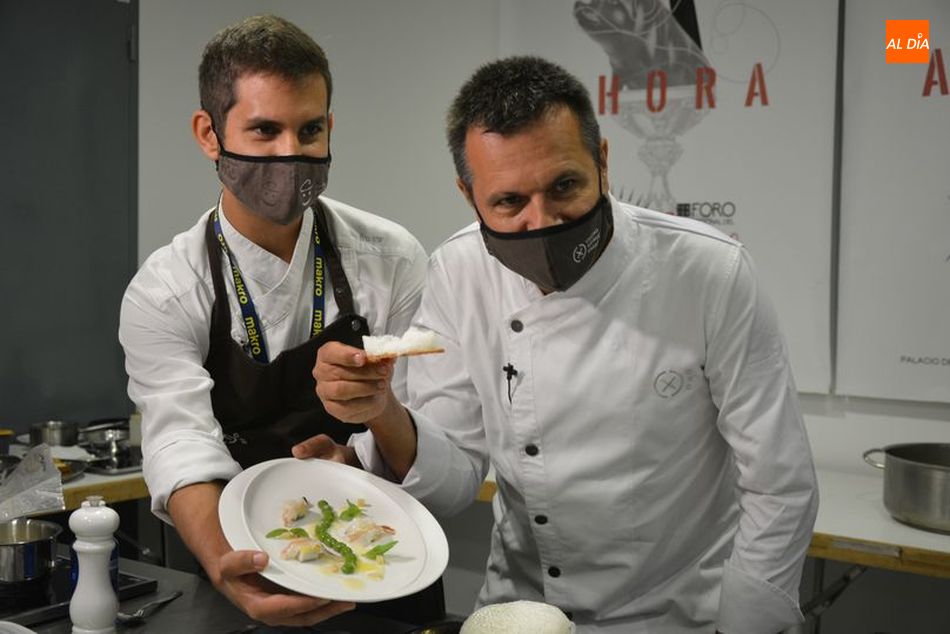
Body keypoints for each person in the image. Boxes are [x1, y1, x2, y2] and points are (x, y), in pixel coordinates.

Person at [310, 56, 819, 633]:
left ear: (602, 162)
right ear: (468, 193)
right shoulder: (458, 271)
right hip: (518, 612)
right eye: (508, 203)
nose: (541, 221)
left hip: (672, 616)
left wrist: (746, 626)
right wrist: (383, 412)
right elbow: (453, 480)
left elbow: (780, 484)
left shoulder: (708, 272)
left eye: (564, 186)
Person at [118, 15, 440, 627]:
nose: (291, 154)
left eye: (309, 129)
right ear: (208, 135)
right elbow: (178, 441)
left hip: (376, 551)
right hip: (238, 551)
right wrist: (226, 566)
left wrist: (371, 435)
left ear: (329, 129)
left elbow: (425, 426)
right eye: (264, 130)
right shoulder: (165, 290)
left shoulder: (391, 257)